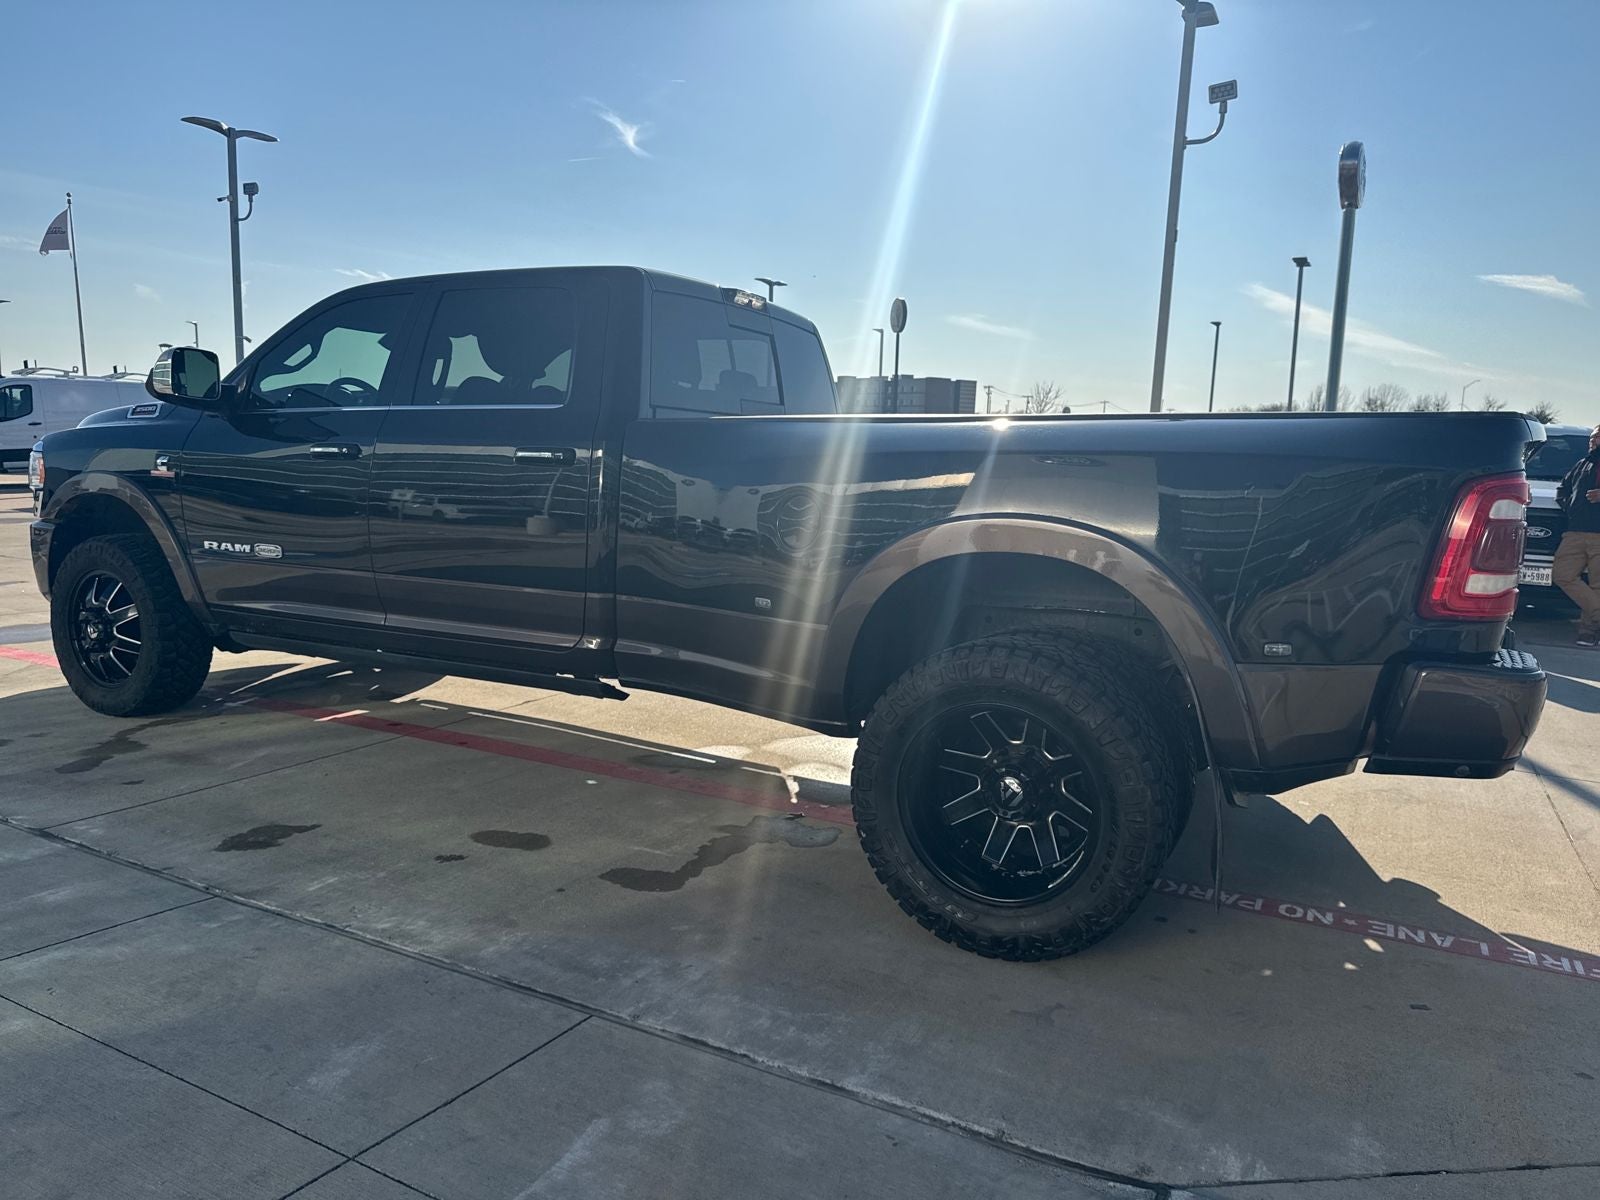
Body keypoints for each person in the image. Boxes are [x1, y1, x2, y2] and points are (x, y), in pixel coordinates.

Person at [1553, 423, 1600, 646]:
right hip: (1574, 531)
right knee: (1562, 575)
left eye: (1598, 436)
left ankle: (1588, 633)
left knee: (1597, 585)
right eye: (1592, 436)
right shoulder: (1581, 464)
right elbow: (1563, 489)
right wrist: (1570, 506)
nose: (1593, 440)